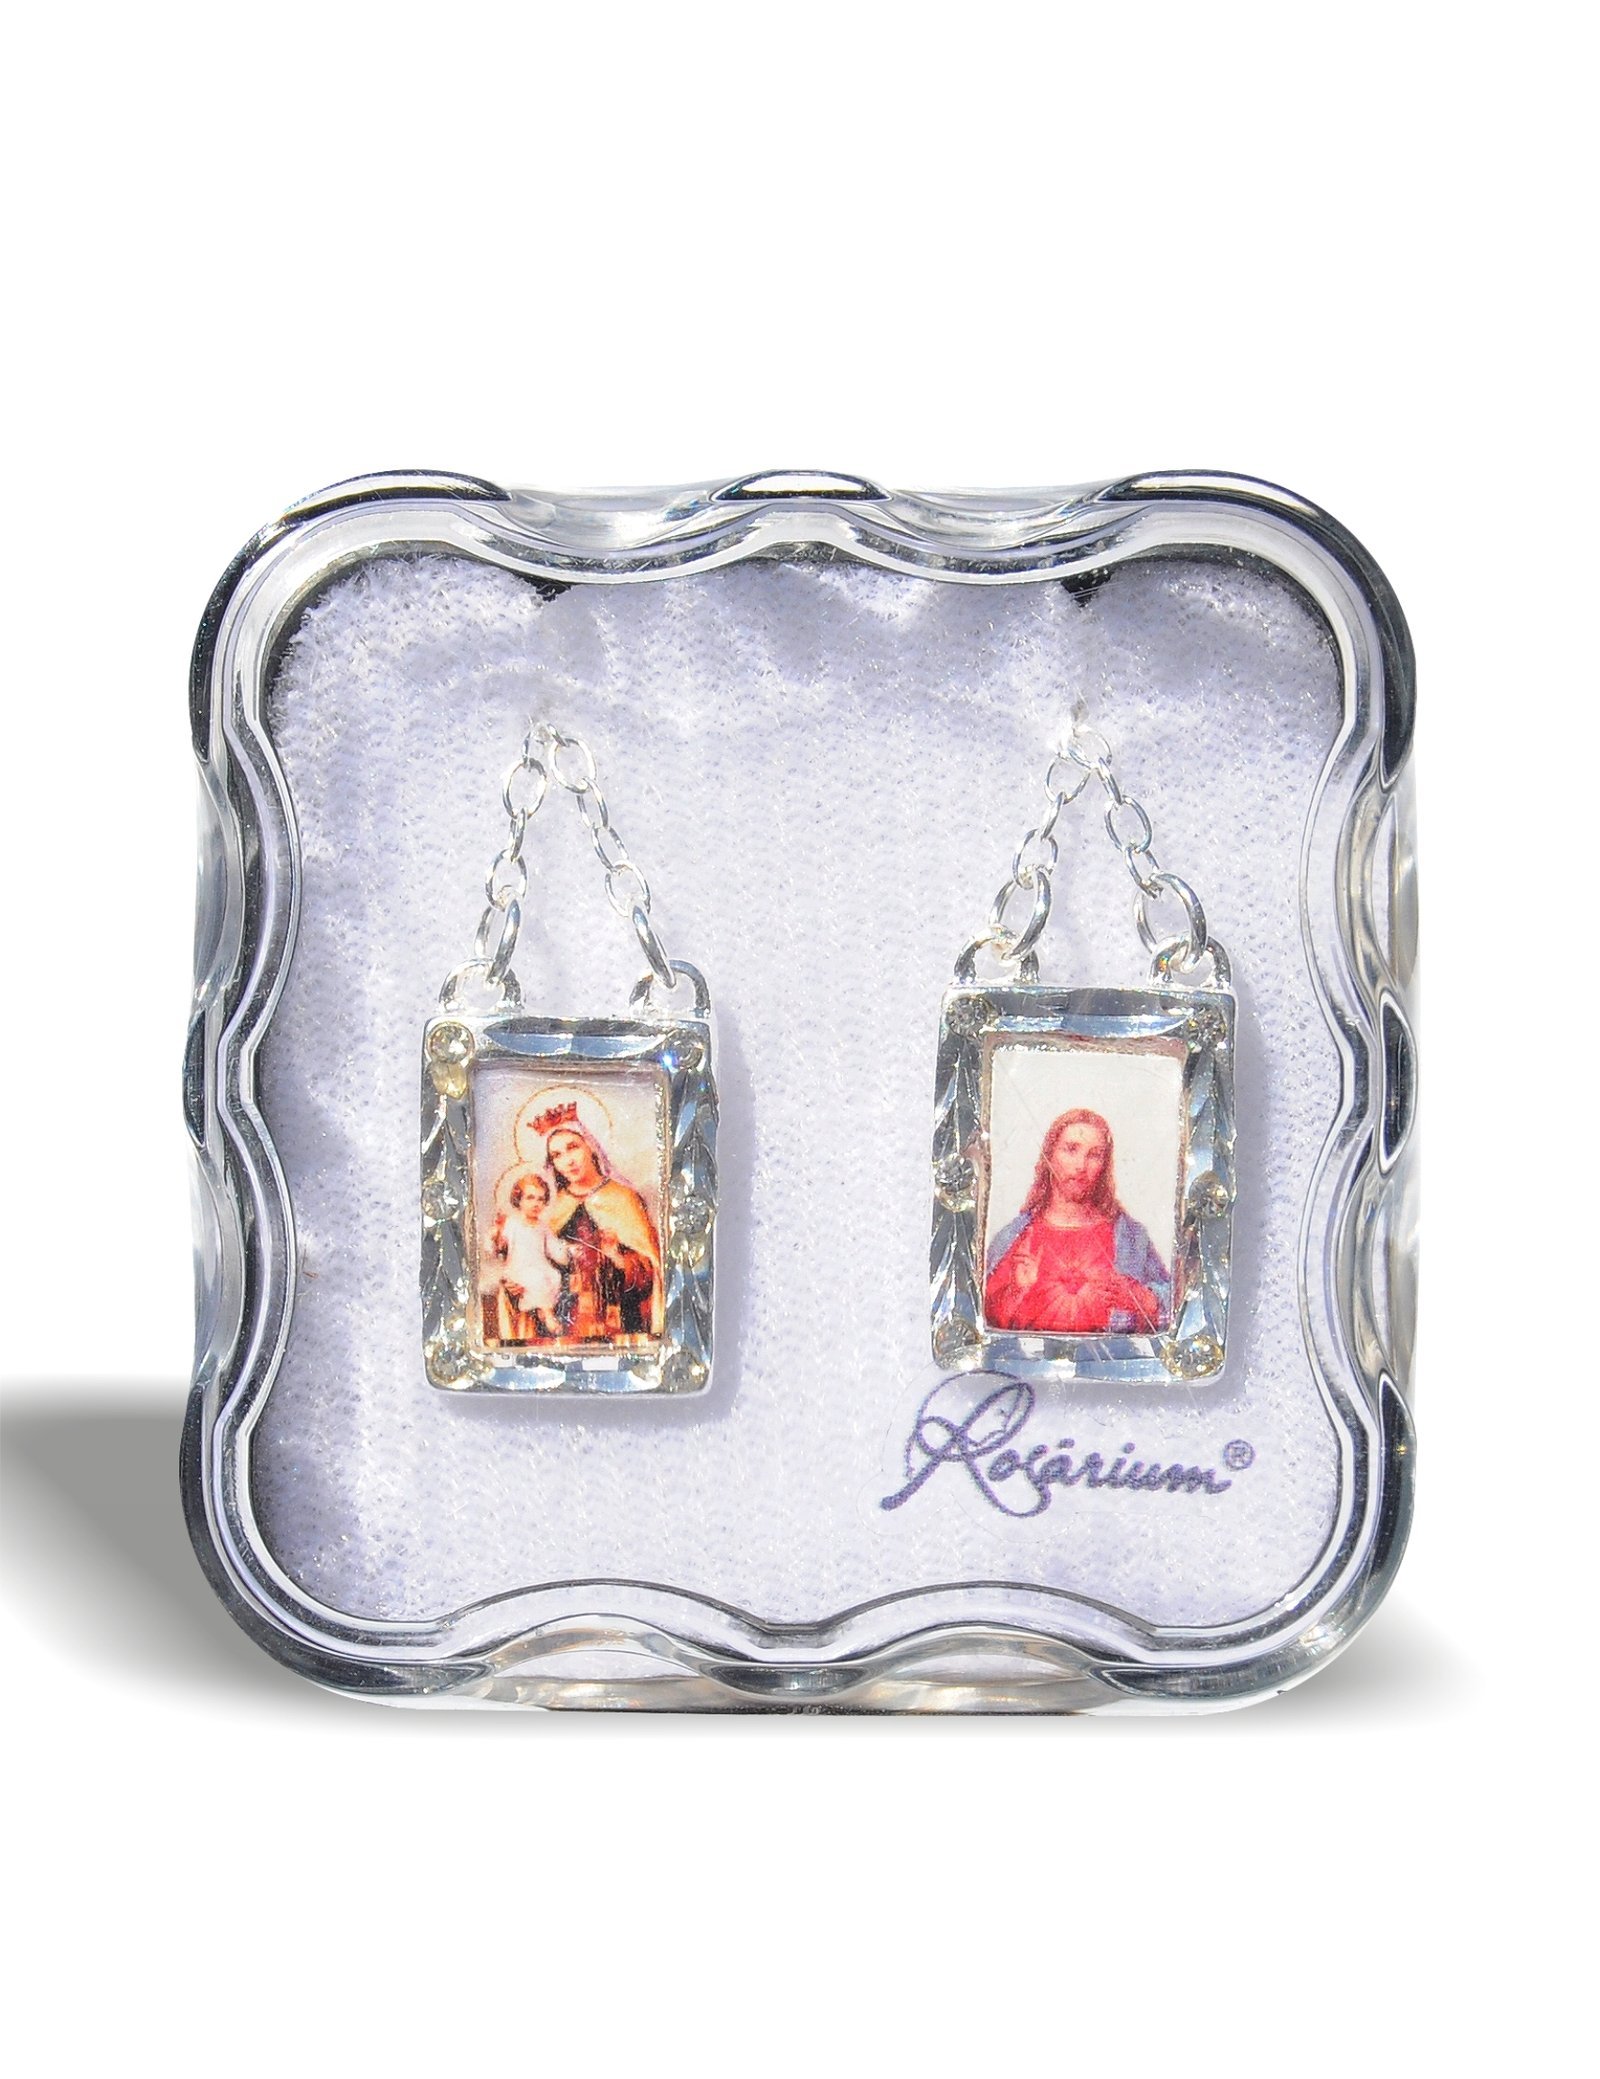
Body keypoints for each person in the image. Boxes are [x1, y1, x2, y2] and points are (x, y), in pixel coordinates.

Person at [984, 1108, 1171, 1334]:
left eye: (1094, 1155)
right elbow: (984, 1324)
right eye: (1071, 1149)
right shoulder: (1016, 1239)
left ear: (1104, 1166)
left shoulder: (1130, 1238)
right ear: (1049, 1156)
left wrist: (1146, 1301)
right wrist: (1017, 1291)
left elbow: (1177, 1309)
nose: (1081, 1166)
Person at [537, 1104, 663, 1341]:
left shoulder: (623, 1198)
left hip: (619, 1319)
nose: (567, 1161)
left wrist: (616, 1257)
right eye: (557, 1155)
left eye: (573, 1147)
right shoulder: (554, 1209)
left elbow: (651, 1271)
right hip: (566, 1322)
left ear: (590, 1147)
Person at [486, 1166, 570, 1343]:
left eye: (541, 1199)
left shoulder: (543, 1227)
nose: (536, 1203)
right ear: (519, 1199)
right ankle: (547, 1313)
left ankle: (543, 1308)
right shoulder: (512, 1223)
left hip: (539, 1265)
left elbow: (555, 1250)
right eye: (530, 1198)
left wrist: (566, 1250)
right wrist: (496, 1234)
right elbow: (497, 1247)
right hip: (518, 1269)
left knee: (554, 1277)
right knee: (536, 1279)